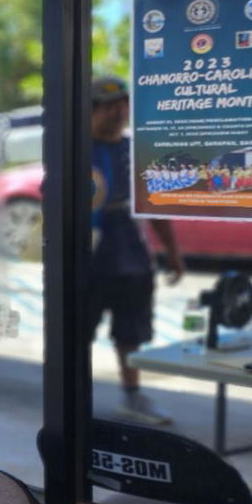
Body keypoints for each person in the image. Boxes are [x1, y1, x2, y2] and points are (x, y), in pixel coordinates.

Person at [89, 76, 182, 428]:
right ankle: (73, 398)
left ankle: (133, 395)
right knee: (77, 332)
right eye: (108, 106)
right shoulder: (74, 149)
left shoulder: (137, 151)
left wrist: (172, 252)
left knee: (131, 332)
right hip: (86, 261)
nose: (117, 112)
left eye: (122, 105)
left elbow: (155, 205)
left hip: (131, 257)